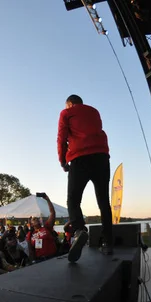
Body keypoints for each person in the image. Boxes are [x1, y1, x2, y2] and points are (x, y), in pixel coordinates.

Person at [58, 94, 113, 261]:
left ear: (69, 104)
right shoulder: (94, 111)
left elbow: (61, 138)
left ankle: (80, 230)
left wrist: (63, 161)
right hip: (101, 157)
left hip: (79, 158)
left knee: (73, 200)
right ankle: (108, 242)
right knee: (103, 201)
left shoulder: (66, 113)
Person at [27, 194, 58, 263]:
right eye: (34, 219)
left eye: (37, 218)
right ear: (31, 224)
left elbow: (52, 212)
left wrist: (47, 199)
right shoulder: (30, 234)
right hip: (40, 260)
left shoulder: (46, 227)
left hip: (52, 258)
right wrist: (32, 261)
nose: (36, 219)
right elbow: (30, 250)